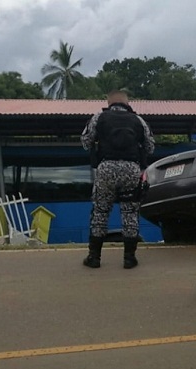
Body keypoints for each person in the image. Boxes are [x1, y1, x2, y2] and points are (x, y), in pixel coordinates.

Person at [81, 90, 155, 269]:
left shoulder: (99, 117)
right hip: (131, 168)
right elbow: (150, 146)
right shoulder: (139, 120)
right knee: (130, 213)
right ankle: (129, 258)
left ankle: (94, 257)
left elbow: (85, 141)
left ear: (109, 103)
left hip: (106, 168)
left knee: (100, 212)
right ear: (127, 103)